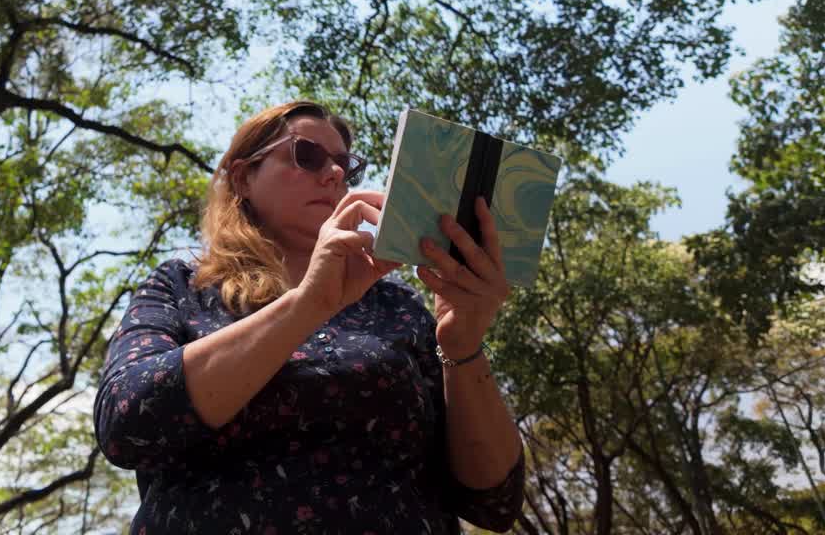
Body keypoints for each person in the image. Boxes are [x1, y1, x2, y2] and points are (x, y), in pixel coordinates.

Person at [94, 100, 524, 534]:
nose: (334, 173)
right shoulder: (182, 287)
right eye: (307, 155)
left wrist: (463, 347)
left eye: (345, 164)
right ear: (243, 177)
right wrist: (307, 305)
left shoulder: (398, 305)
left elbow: (495, 503)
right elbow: (126, 422)